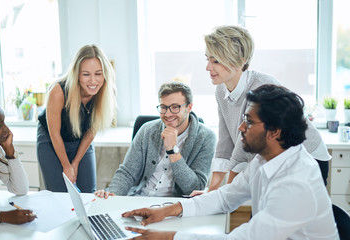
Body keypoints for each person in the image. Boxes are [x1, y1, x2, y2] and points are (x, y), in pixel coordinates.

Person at [121, 84, 339, 240]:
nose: (241, 128)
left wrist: (168, 237)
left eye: (249, 122)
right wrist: (167, 210)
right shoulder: (266, 159)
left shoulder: (296, 183)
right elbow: (226, 197)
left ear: (274, 132)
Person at [191, 25, 330, 196]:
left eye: (216, 61)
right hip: (273, 158)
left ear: (240, 61)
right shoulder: (221, 90)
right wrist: (211, 190)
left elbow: (243, 146)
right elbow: (225, 142)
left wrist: (217, 195)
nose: (208, 67)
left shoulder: (261, 87)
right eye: (208, 59)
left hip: (307, 157)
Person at [94, 82, 216, 197]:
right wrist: (113, 196)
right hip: (140, 197)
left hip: (174, 206)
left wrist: (173, 150)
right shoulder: (147, 130)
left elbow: (195, 188)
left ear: (189, 107)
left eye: (175, 107)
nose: (168, 114)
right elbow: (127, 172)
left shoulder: (206, 137)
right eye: (163, 107)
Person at [37, 44, 117, 193]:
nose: (93, 81)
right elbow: (55, 134)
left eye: (98, 74)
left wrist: (75, 162)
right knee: (60, 195)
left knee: (88, 192)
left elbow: (91, 131)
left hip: (80, 139)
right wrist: (66, 166)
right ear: (77, 74)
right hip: (51, 140)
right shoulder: (58, 91)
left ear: (105, 74)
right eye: (86, 74)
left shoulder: (107, 92)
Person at [0, 100, 36, 225]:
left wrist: (10, 153)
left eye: (4, 122)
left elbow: (20, 189)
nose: (6, 129)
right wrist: (2, 217)